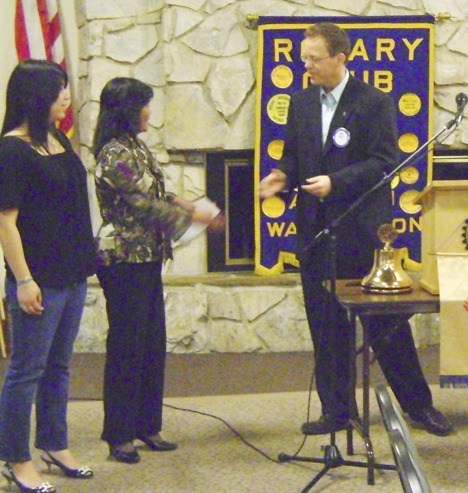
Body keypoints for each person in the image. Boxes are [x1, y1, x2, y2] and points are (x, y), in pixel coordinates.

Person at [260, 23, 453, 437]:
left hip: (360, 230)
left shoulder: (374, 102)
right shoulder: (301, 103)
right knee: (326, 326)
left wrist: (336, 182)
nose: (306, 65)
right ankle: (338, 410)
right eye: (304, 58)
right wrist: (281, 176)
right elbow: (295, 159)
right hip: (317, 231)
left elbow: (383, 162)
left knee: (386, 326)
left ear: (340, 58)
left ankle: (420, 406)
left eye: (314, 58)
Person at [92, 77, 221, 464]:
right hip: (123, 261)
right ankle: (119, 435)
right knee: (127, 347)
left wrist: (189, 202)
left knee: (150, 344)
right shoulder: (114, 153)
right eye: (145, 105)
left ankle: (147, 425)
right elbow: (141, 205)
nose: (150, 112)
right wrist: (195, 221)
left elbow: (157, 192)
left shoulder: (136, 146)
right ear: (128, 110)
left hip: (146, 257)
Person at [0, 60, 95, 493]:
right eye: (59, 90)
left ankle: (54, 444)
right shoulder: (12, 149)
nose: (65, 97)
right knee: (26, 370)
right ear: (37, 95)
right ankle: (15, 458)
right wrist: (23, 279)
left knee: (58, 367)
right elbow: (6, 222)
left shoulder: (56, 139)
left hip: (72, 274)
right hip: (38, 279)